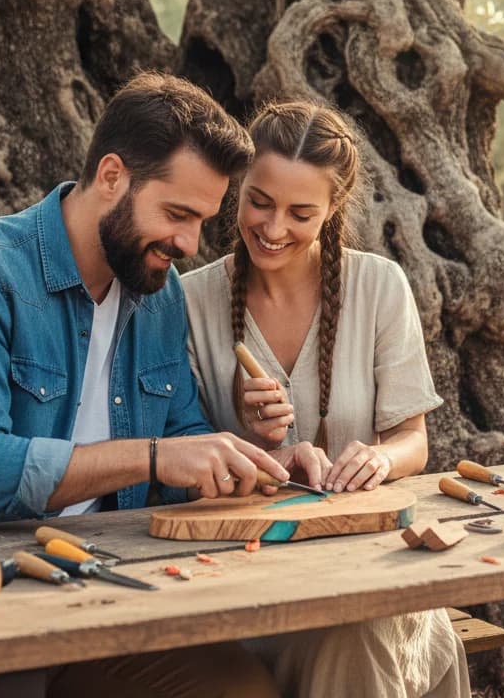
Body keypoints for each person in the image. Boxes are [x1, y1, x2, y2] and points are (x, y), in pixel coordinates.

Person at [0, 71, 322, 698]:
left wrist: (252, 460)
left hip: (106, 597)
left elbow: (181, 439)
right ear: (111, 177)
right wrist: (156, 456)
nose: (188, 243)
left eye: (202, 220)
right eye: (177, 214)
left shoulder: (157, 297)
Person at [182, 100, 470, 698]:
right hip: (241, 576)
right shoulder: (188, 302)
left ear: (334, 208)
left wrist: (381, 458)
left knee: (350, 634)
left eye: (300, 212)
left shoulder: (378, 286)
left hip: (369, 569)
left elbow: (414, 439)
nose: (273, 227)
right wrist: (250, 446)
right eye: (259, 201)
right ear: (238, 185)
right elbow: (177, 459)